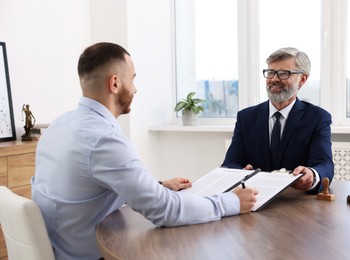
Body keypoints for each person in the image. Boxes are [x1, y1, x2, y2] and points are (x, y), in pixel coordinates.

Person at [31, 42, 258, 260]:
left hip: (61, 247)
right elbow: (165, 210)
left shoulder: (58, 125)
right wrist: (231, 202)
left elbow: (87, 185)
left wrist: (156, 186)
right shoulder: (103, 140)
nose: (136, 89)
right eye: (133, 79)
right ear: (115, 84)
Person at [222, 47, 334, 194]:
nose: (274, 79)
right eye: (270, 72)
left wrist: (312, 175)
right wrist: (239, 174)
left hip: (295, 202)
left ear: (302, 79)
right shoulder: (246, 118)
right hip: (254, 197)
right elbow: (231, 163)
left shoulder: (318, 118)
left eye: (283, 73)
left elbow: (324, 164)